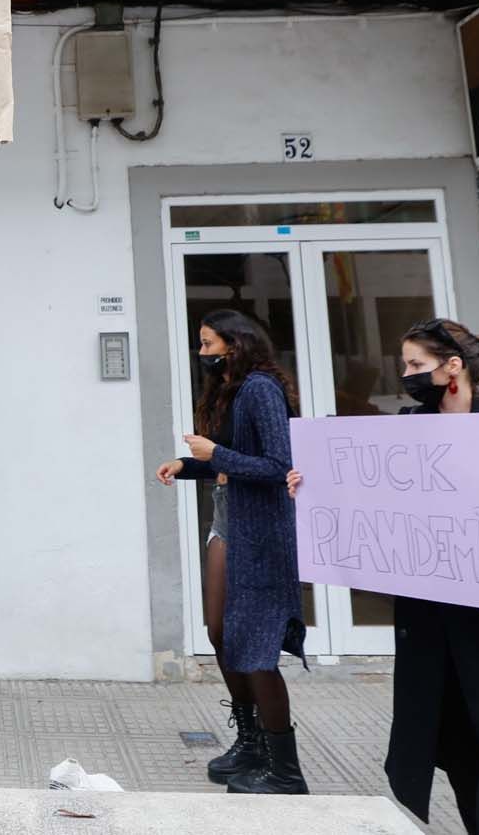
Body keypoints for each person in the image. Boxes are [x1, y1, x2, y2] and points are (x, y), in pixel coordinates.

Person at [288, 318, 479, 834]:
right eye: (405, 365)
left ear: (453, 367)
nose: (407, 374)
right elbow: (374, 505)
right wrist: (313, 487)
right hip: (442, 626)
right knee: (464, 746)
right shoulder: (408, 431)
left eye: (416, 365)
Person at [155, 309, 306, 794]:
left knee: (255, 646)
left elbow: (278, 465)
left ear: (234, 345)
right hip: (228, 520)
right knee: (221, 632)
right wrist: (186, 465)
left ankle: (285, 771)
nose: (202, 354)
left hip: (260, 531)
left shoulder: (261, 388)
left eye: (207, 344)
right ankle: (251, 742)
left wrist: (212, 456)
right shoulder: (232, 390)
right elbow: (229, 459)